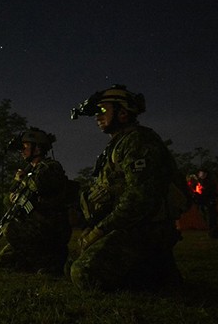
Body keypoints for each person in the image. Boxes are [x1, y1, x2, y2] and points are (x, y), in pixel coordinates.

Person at [68, 85, 183, 291]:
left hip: (143, 228)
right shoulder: (118, 145)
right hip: (125, 225)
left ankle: (154, 276)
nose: (98, 117)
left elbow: (140, 198)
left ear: (122, 113)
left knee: (83, 273)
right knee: (69, 265)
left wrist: (100, 230)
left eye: (103, 110)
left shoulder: (138, 140)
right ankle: (155, 270)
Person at [0, 127, 72, 275]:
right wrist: (16, 189)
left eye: (25, 147)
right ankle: (39, 261)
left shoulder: (51, 167)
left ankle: (52, 260)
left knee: (10, 228)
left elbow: (39, 184)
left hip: (50, 229)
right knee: (5, 260)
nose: (22, 151)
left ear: (37, 148)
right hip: (35, 227)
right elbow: (9, 198)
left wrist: (23, 179)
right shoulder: (29, 171)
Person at [193, 169, 218, 239]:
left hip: (208, 203)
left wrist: (200, 193)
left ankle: (214, 235)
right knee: (207, 218)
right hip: (203, 203)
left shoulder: (209, 183)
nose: (200, 175)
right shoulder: (200, 182)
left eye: (201, 173)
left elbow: (209, 192)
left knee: (211, 219)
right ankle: (213, 234)